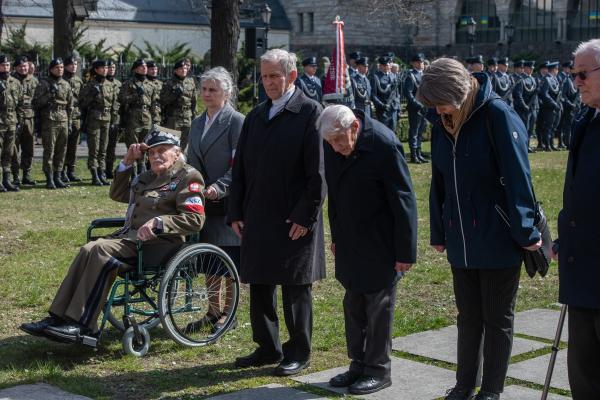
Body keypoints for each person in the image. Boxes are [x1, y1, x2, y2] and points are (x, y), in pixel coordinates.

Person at [418, 58, 541, 400]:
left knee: (497, 318)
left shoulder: (496, 115)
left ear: (459, 91)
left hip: (498, 236)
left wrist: (527, 231)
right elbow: (438, 180)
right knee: (467, 318)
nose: (438, 111)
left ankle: (491, 390)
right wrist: (440, 232)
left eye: (440, 102)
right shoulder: (441, 120)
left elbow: (520, 177)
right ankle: (463, 384)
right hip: (461, 238)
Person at [19, 126, 206, 342]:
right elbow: (118, 193)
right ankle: (58, 317)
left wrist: (160, 222)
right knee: (88, 249)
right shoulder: (148, 177)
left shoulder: (188, 177)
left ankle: (83, 325)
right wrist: (127, 161)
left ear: (176, 152)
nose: (155, 156)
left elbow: (195, 219)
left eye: (161, 150)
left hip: (160, 245)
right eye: (151, 152)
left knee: (99, 251)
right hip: (132, 241)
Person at [228, 49, 326, 376]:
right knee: (260, 284)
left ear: (292, 76)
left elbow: (319, 174)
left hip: (293, 219)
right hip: (257, 215)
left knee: (295, 287)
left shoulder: (310, 112)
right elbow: (240, 168)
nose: (269, 82)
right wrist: (236, 211)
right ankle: (267, 346)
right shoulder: (256, 115)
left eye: (275, 76)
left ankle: (299, 350)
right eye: (265, 76)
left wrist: (305, 215)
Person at [318, 104, 417, 395]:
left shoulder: (384, 145)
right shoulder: (333, 144)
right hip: (350, 237)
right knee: (354, 303)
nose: (335, 149)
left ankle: (378, 369)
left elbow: (404, 200)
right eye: (330, 143)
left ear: (355, 128)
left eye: (339, 141)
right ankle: (358, 364)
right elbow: (334, 193)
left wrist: (405, 251)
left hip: (380, 239)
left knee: (378, 306)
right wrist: (336, 235)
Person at [553, 38, 600, 399]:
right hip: (582, 268)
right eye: (573, 75)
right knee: (584, 373)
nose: (576, 82)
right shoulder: (586, 118)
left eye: (583, 74)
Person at [186, 67, 244, 333]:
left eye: (213, 90)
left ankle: (229, 313)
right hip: (203, 200)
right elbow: (191, 160)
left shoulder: (235, 122)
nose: (207, 94)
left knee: (230, 257)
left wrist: (219, 188)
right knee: (209, 258)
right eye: (204, 89)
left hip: (228, 200)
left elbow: (239, 164)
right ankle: (212, 310)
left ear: (227, 93)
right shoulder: (197, 122)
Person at [32, 58, 73, 190]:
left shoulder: (66, 84)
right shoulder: (44, 83)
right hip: (49, 119)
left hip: (63, 119)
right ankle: (49, 177)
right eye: (57, 67)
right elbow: (37, 103)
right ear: (51, 69)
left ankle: (58, 176)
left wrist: (70, 122)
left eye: (61, 67)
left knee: (62, 150)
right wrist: (49, 93)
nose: (60, 69)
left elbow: (70, 105)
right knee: (49, 150)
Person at [79, 60, 118, 185]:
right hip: (94, 118)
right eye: (102, 68)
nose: (105, 70)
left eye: (106, 67)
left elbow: (114, 104)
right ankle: (94, 174)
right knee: (94, 149)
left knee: (103, 148)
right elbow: (83, 103)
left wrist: (113, 119)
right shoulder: (90, 84)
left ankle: (102, 173)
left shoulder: (109, 84)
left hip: (106, 118)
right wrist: (91, 94)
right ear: (96, 70)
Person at [118, 59, 160, 175]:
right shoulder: (129, 83)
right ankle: (134, 173)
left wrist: (155, 118)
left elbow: (154, 103)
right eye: (141, 66)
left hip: (147, 117)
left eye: (145, 66)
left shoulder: (150, 84)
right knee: (134, 146)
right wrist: (135, 95)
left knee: (145, 145)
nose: (145, 68)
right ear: (135, 69)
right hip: (133, 117)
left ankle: (143, 171)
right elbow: (121, 99)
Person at [11, 56, 38, 187]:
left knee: (29, 148)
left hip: (30, 118)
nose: (23, 68)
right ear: (16, 68)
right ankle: (15, 175)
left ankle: (26, 174)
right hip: (15, 118)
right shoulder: (11, 80)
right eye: (21, 66)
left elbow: (38, 100)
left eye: (25, 66)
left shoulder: (34, 81)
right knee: (14, 148)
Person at [160, 59, 197, 151]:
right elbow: (163, 101)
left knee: (184, 141)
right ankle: (171, 162)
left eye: (185, 68)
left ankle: (180, 161)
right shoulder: (168, 83)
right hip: (174, 117)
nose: (184, 70)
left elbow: (194, 100)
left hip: (187, 115)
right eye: (181, 68)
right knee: (172, 141)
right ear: (175, 70)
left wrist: (194, 114)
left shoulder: (190, 81)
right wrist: (173, 94)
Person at [0, 54, 23, 192]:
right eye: (3, 65)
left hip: (12, 120)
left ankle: (6, 180)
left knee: (8, 152)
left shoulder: (15, 82)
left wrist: (19, 119)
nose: (6, 67)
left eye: (7, 65)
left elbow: (20, 103)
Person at [62, 56, 84, 183]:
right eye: (71, 64)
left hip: (76, 116)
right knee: (63, 145)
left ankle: (71, 170)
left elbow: (82, 99)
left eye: (75, 64)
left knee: (73, 146)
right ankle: (62, 171)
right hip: (64, 115)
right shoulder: (62, 80)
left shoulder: (78, 80)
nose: (73, 66)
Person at [403, 53, 428, 163]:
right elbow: (408, 93)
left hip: (425, 107)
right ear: (413, 63)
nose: (421, 64)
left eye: (422, 62)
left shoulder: (425, 75)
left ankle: (419, 152)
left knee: (421, 131)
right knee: (414, 131)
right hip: (415, 108)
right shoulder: (410, 75)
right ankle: (414, 155)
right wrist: (418, 105)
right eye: (418, 62)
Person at [513, 61, 538, 153]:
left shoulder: (533, 79)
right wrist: (524, 106)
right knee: (524, 129)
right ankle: (522, 146)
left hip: (532, 108)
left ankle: (527, 145)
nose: (531, 70)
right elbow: (519, 95)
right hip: (523, 109)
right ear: (525, 68)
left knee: (530, 129)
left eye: (532, 68)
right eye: (529, 68)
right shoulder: (521, 79)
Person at [370, 55, 400, 132]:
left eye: (390, 64)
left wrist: (398, 107)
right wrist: (381, 105)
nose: (389, 66)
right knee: (384, 132)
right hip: (383, 109)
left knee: (393, 131)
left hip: (393, 108)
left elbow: (397, 94)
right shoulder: (376, 77)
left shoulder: (393, 75)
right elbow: (373, 95)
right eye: (387, 65)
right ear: (381, 66)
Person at [536, 61, 561, 151]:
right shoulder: (546, 79)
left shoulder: (554, 79)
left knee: (553, 126)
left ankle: (551, 143)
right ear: (553, 70)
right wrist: (553, 103)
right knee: (548, 126)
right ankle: (547, 145)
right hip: (548, 107)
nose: (557, 71)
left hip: (554, 106)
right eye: (557, 69)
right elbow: (544, 94)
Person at [104, 59, 123, 179]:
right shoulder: (101, 83)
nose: (111, 69)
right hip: (103, 118)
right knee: (102, 146)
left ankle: (109, 169)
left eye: (113, 67)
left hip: (115, 119)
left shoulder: (118, 84)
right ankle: (101, 169)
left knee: (112, 146)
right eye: (109, 67)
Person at [557, 60, 580, 150]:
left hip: (573, 106)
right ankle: (565, 142)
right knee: (565, 126)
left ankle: (569, 142)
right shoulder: (565, 79)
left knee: (571, 125)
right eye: (571, 69)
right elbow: (563, 95)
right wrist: (570, 104)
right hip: (567, 106)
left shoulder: (573, 78)